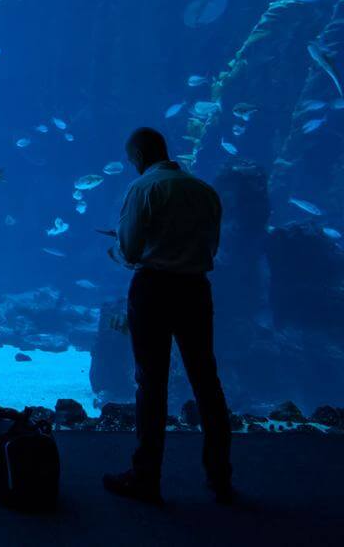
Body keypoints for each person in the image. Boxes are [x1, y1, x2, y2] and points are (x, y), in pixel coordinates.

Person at [103, 127, 234, 506]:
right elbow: (212, 246)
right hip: (195, 289)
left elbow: (129, 249)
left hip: (154, 289)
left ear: (140, 156)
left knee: (151, 382)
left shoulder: (144, 188)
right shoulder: (205, 191)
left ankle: (146, 475)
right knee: (207, 381)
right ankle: (220, 475)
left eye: (131, 160)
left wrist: (117, 250)